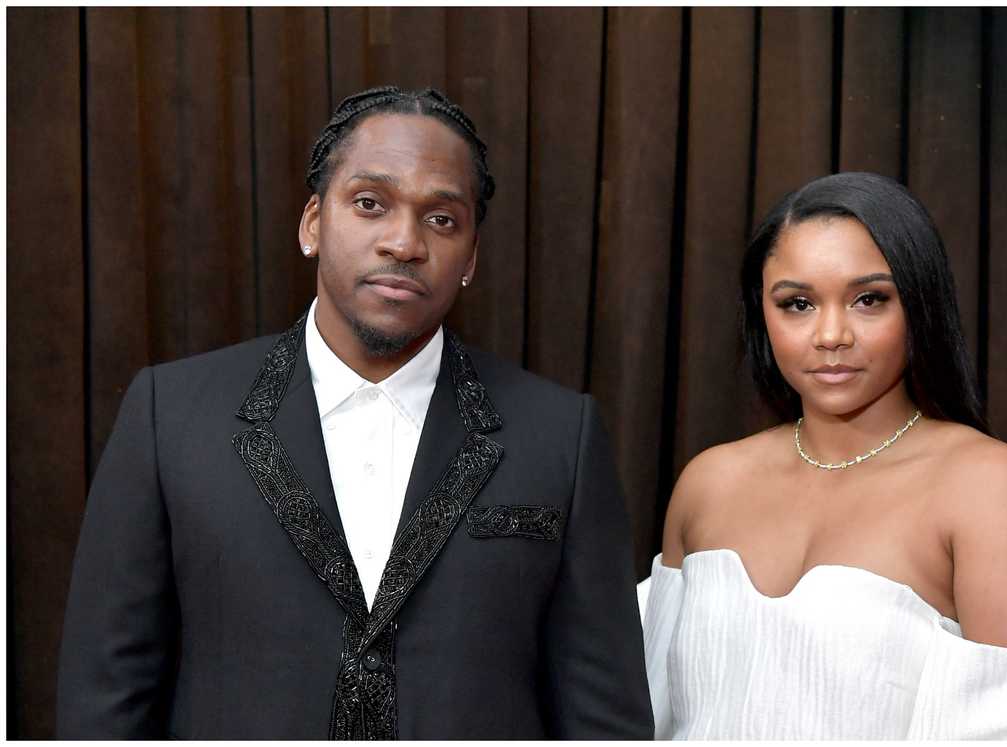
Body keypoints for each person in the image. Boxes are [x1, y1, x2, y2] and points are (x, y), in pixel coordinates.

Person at [57, 86, 653, 739]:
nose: (404, 241)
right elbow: (104, 699)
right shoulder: (168, 416)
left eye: (442, 219)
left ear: (471, 259)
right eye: (370, 204)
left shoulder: (559, 438)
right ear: (314, 222)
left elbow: (604, 721)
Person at [640, 172, 1007, 739]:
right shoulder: (709, 481)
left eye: (869, 299)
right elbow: (647, 717)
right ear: (762, 313)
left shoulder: (990, 489)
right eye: (798, 303)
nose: (831, 334)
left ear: (920, 304)